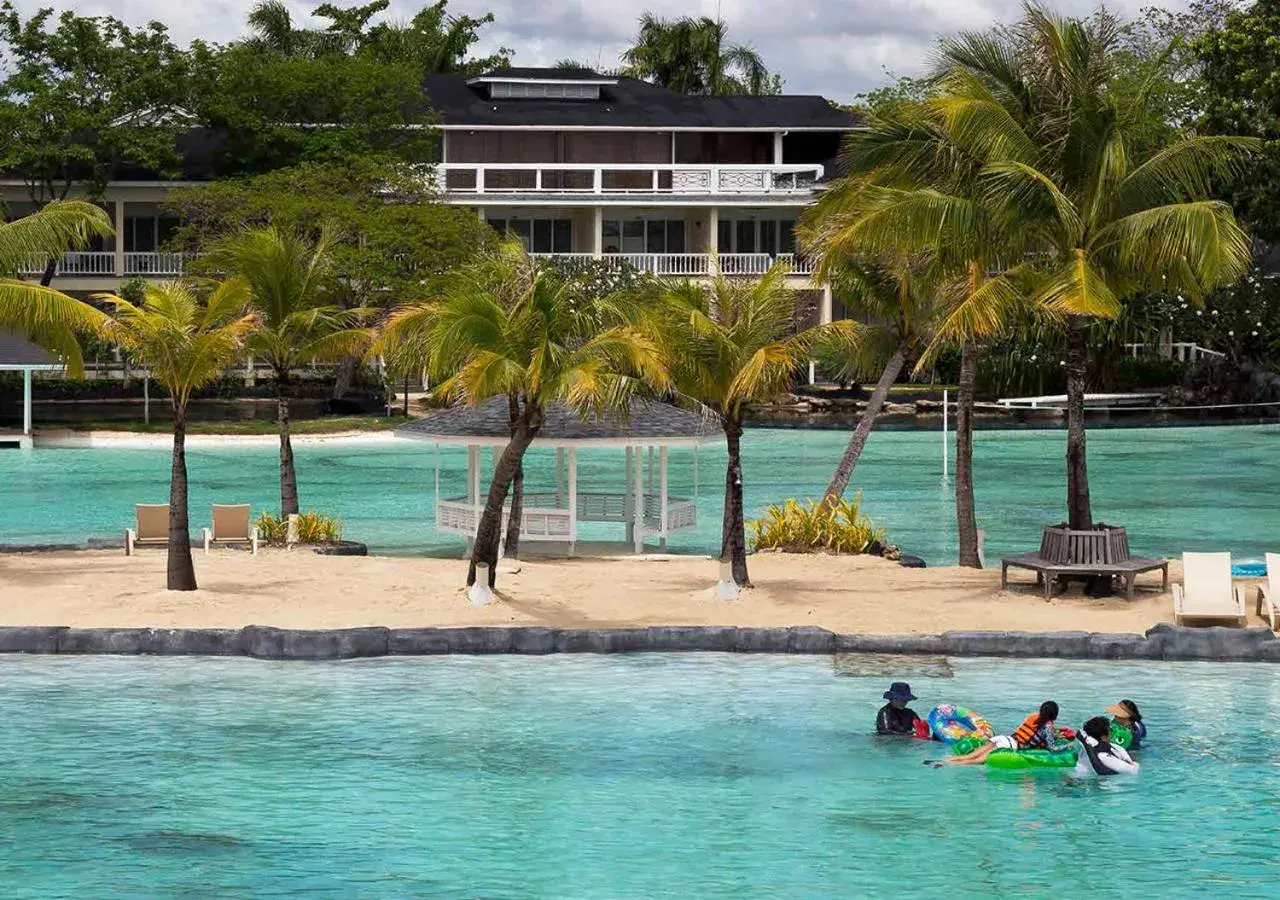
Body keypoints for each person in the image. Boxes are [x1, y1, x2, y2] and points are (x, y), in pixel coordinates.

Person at [949, 701, 1067, 765]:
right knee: (975, 761)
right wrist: (1067, 746)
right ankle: (948, 765)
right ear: (1054, 714)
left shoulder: (1034, 717)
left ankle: (943, 761)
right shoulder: (1049, 726)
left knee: (968, 756)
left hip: (1002, 738)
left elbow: (1036, 733)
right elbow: (1051, 748)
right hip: (1009, 745)